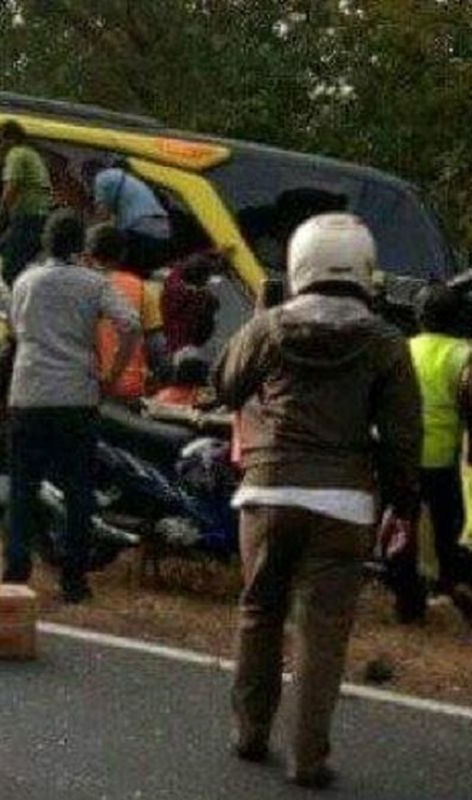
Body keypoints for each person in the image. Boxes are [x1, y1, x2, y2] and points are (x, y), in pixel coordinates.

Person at [214, 213, 421, 788]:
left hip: (267, 489)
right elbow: (404, 438)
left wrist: (258, 322)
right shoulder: (385, 342)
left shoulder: (271, 326)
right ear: (365, 268)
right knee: (322, 631)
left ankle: (249, 734)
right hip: (344, 504)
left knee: (259, 611)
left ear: (300, 263)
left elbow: (225, 384)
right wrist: (401, 506)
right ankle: (308, 759)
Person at [4, 210, 140, 602]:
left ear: (45, 242)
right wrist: (111, 375)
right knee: (79, 490)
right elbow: (129, 324)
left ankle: (15, 571)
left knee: (22, 488)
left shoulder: (25, 280)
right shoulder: (94, 283)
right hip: (76, 396)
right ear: (81, 245)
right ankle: (74, 580)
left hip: (28, 392)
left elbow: (14, 331)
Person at [407, 284, 472, 623]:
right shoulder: (463, 353)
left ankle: (409, 598)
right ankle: (454, 582)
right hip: (445, 458)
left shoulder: (405, 348)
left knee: (405, 526)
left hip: (406, 455)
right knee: (449, 528)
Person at [86, 223, 154, 402]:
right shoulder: (138, 287)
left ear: (88, 253)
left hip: (86, 388)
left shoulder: (78, 287)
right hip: (130, 389)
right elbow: (157, 347)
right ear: (123, 254)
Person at [0, 120, 52, 286]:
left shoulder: (16, 154)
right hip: (38, 217)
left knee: (9, 271)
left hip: (28, 218)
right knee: (5, 248)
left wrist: (0, 218)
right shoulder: (30, 153)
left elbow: (10, 188)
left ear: (11, 140)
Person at [90, 163, 171, 274]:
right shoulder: (128, 179)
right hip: (162, 230)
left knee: (120, 269)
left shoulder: (100, 178)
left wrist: (89, 236)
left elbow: (102, 215)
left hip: (140, 227)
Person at [162, 251, 222, 354]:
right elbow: (213, 303)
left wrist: (208, 257)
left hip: (168, 339)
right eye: (206, 278)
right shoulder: (196, 299)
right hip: (179, 347)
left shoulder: (172, 280)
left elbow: (179, 268)